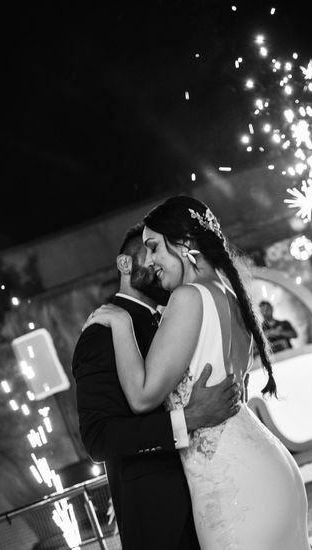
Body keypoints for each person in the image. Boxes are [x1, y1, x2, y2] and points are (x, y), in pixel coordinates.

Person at [84, 196, 310, 550]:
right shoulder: (228, 293)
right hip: (266, 466)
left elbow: (143, 397)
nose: (152, 261)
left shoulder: (188, 297)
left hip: (231, 486)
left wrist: (121, 322)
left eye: (155, 248)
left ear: (185, 243)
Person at [72, 222, 241, 550]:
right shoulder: (101, 334)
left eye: (163, 251)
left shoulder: (179, 315)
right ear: (124, 263)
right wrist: (187, 420)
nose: (155, 261)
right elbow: (98, 438)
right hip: (164, 519)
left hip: (218, 491)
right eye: (148, 250)